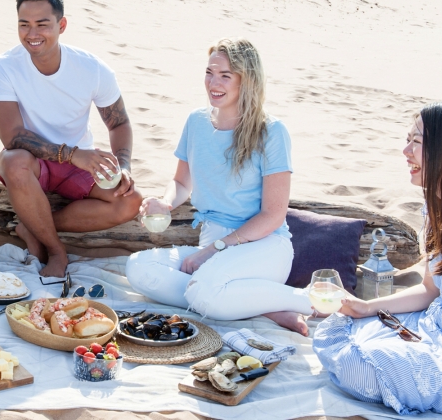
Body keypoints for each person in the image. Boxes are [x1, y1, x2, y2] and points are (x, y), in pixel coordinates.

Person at [313, 101, 442, 417]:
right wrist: (367, 307)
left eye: (417, 142)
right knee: (336, 330)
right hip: (435, 327)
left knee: (358, 367)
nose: (405, 151)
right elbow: (431, 289)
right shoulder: (440, 206)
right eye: (407, 139)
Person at [125, 38, 312, 335]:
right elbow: (181, 181)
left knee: (203, 291)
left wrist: (212, 251)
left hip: (261, 247)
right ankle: (266, 307)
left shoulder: (272, 132)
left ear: (246, 80)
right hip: (212, 243)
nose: (214, 82)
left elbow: (273, 216)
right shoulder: (196, 121)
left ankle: (309, 300)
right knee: (138, 268)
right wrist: (166, 203)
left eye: (225, 75)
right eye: (210, 72)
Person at [0, 0, 142, 277]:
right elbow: (12, 137)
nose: (32, 34)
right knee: (13, 160)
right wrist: (72, 155)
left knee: (130, 202)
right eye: (24, 25)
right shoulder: (4, 67)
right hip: (34, 161)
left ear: (61, 25)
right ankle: (57, 252)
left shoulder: (92, 68)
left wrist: (123, 166)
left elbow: (119, 123)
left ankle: (33, 226)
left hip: (77, 164)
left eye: (42, 25)